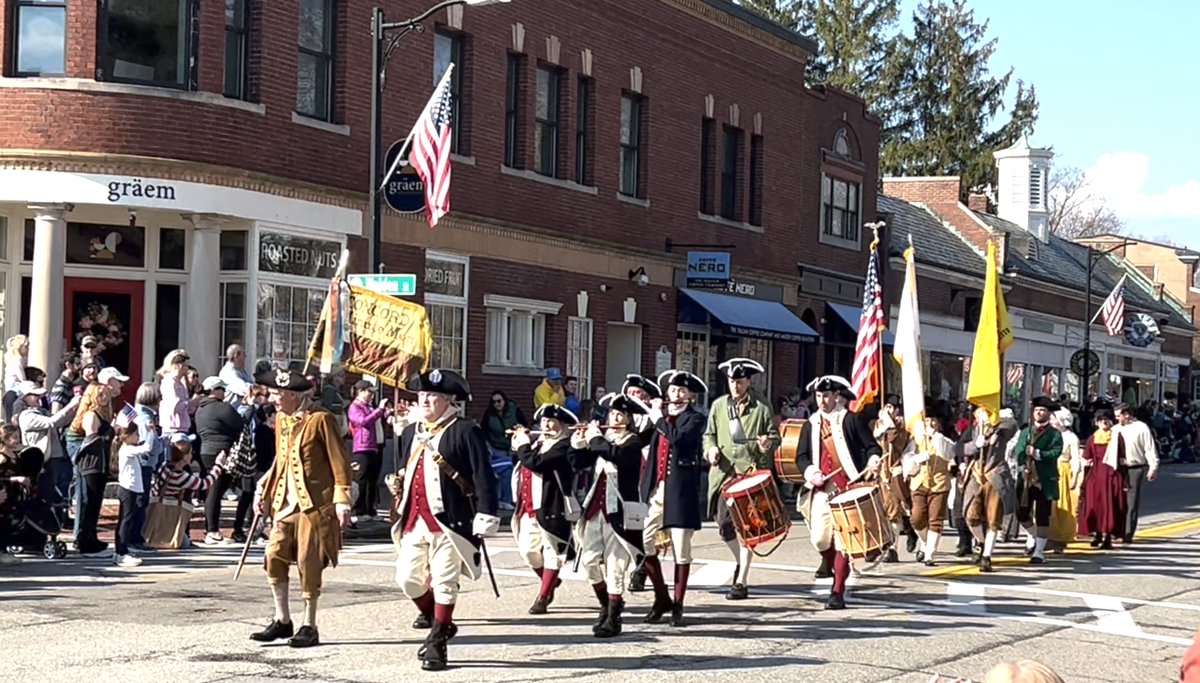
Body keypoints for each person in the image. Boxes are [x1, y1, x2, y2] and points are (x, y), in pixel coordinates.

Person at [388, 368, 499, 672]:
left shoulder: (465, 430)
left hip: (451, 521)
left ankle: (438, 640)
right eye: (422, 395)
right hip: (414, 518)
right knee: (408, 580)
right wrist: (396, 483)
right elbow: (405, 470)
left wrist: (486, 513)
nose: (424, 401)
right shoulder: (411, 432)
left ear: (449, 400)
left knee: (444, 581)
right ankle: (442, 622)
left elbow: (483, 476)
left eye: (432, 396)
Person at [249, 367, 353, 649]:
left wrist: (342, 501)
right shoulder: (282, 420)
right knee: (274, 555)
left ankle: (310, 624)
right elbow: (280, 461)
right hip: (285, 500)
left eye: (277, 394)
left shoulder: (321, 420)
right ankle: (282, 620)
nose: (273, 399)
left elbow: (339, 461)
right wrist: (266, 488)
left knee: (309, 561)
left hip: (314, 503)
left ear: (294, 396)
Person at [791, 375, 881, 610]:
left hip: (847, 488)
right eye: (819, 396)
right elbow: (800, 456)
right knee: (820, 539)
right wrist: (811, 472)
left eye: (827, 396)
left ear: (836, 396)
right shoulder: (811, 423)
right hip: (822, 489)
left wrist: (873, 459)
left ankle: (837, 590)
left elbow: (871, 446)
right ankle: (836, 566)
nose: (822, 400)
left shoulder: (850, 420)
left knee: (843, 542)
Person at [570, 392, 648, 638]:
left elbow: (615, 455)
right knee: (589, 561)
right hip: (595, 509)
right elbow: (578, 462)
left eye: (620, 414)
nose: (614, 418)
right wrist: (579, 442)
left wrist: (595, 439)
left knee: (616, 564)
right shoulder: (603, 439)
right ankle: (606, 603)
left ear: (628, 419)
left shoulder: (633, 442)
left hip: (619, 511)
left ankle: (613, 615)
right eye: (612, 413)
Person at [702, 358, 779, 600]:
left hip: (749, 474)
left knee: (747, 528)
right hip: (724, 474)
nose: (735, 386)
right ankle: (739, 562)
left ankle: (742, 580)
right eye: (732, 381)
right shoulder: (719, 406)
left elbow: (775, 437)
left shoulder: (761, 407)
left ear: (748, 382)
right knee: (724, 525)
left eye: (740, 381)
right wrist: (710, 450)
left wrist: (766, 444)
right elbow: (709, 435)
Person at [638, 369, 706, 627]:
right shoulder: (661, 419)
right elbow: (640, 441)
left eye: (681, 391)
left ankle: (678, 604)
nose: (675, 395)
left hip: (680, 493)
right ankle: (661, 597)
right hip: (657, 491)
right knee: (644, 542)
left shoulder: (695, 420)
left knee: (681, 550)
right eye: (672, 391)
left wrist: (657, 418)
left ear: (689, 396)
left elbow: (679, 440)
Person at [510, 403, 579, 614]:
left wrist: (523, 446)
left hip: (552, 506)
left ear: (562, 426)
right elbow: (522, 463)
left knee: (552, 552)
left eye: (552, 422)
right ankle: (549, 580)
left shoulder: (563, 446)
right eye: (543, 421)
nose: (546, 425)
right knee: (529, 552)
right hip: (528, 507)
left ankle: (544, 596)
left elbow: (536, 463)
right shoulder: (538, 444)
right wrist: (518, 445)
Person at [961, 407, 1019, 573]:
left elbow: (1013, 425)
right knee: (970, 516)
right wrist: (976, 445)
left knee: (993, 519)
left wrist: (995, 427)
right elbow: (959, 449)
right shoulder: (972, 431)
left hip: (994, 476)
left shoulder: (1001, 430)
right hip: (976, 476)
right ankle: (981, 541)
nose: (981, 416)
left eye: (985, 413)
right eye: (979, 413)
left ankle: (986, 556)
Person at [620, 373, 662, 593]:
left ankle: (640, 571)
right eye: (631, 393)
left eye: (640, 394)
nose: (635, 397)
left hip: (647, 478)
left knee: (641, 527)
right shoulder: (618, 418)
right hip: (622, 479)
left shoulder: (655, 420)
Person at [16, 381, 79, 521]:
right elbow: (52, 422)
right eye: (35, 395)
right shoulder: (27, 416)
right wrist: (70, 405)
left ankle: (58, 519)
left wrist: (75, 410)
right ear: (25, 398)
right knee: (45, 493)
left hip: (55, 456)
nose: (40, 398)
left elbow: (60, 422)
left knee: (58, 491)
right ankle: (43, 523)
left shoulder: (42, 412)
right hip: (42, 460)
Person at [1013, 396, 1063, 564]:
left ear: (1048, 414)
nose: (1039, 413)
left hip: (1044, 480)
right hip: (1026, 479)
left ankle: (1039, 552)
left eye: (1042, 410)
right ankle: (1033, 537)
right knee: (1021, 512)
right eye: (1036, 410)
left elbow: (1056, 451)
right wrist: (1022, 464)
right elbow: (1018, 450)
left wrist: (1038, 454)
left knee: (1042, 516)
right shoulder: (1026, 432)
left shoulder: (1054, 434)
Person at [194, 376, 244, 545]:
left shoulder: (200, 409)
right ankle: (212, 530)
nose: (224, 392)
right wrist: (249, 407)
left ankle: (211, 528)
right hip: (221, 452)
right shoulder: (223, 408)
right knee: (215, 491)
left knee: (213, 491)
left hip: (205, 451)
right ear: (215, 390)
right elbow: (240, 423)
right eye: (222, 389)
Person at [69, 383, 115, 556]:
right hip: (91, 462)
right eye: (101, 395)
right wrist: (113, 431)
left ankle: (92, 538)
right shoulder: (91, 415)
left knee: (96, 502)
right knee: (90, 501)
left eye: (106, 395)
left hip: (100, 462)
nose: (105, 398)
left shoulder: (102, 414)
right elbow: (92, 440)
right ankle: (84, 541)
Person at [908, 412, 956, 566]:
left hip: (939, 484)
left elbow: (947, 453)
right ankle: (924, 541)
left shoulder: (945, 440)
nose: (930, 423)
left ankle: (929, 553)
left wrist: (934, 438)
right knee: (916, 518)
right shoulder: (915, 441)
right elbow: (907, 465)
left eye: (933, 420)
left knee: (935, 519)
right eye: (927, 420)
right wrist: (917, 458)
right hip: (919, 482)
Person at [1108, 402, 1159, 543]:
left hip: (1135, 467)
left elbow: (1149, 448)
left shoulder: (1141, 428)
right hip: (1117, 468)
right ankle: (1115, 530)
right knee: (1116, 499)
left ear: (1127, 415)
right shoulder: (1115, 429)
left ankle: (1128, 532)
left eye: (1119, 416)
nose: (1117, 419)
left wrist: (1153, 467)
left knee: (1131, 501)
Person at [874, 394, 917, 562]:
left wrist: (891, 425)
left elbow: (898, 443)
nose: (888, 411)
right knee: (887, 510)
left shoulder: (902, 427)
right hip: (881, 473)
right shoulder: (878, 425)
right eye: (886, 407)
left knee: (905, 507)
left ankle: (908, 532)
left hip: (898, 472)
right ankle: (891, 547)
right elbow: (875, 441)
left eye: (892, 408)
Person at [1078, 401, 1126, 549]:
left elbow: (1122, 458)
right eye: (1100, 420)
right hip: (1096, 476)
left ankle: (1108, 537)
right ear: (1097, 423)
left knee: (1109, 507)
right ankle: (1097, 534)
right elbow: (1088, 457)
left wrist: (1123, 479)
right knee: (1095, 506)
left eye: (1106, 420)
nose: (1103, 422)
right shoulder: (1093, 438)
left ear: (1111, 422)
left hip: (1111, 476)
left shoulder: (1116, 437)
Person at [347, 380, 389, 522]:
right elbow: (363, 422)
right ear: (360, 391)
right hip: (363, 447)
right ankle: (360, 510)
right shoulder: (355, 407)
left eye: (373, 393)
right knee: (362, 479)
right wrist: (380, 410)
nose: (371, 395)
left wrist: (385, 414)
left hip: (376, 446)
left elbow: (376, 422)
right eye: (369, 392)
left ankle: (371, 509)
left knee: (373, 480)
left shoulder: (370, 407)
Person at [481, 390, 526, 511]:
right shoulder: (489, 415)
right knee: (506, 471)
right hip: (496, 448)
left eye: (499, 401)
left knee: (515, 473)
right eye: (494, 402)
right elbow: (484, 431)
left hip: (514, 446)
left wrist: (519, 430)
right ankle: (504, 499)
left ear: (504, 401)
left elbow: (524, 424)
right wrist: (488, 447)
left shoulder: (514, 409)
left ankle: (512, 498)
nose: (497, 404)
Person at [111, 420, 145, 567]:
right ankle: (121, 552)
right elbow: (147, 448)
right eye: (136, 434)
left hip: (132, 488)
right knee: (126, 519)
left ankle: (122, 548)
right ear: (128, 436)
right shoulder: (127, 449)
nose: (138, 437)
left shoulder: (129, 448)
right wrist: (151, 432)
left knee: (127, 519)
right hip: (127, 488)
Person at [1048, 407, 1082, 551]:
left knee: (1061, 505)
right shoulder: (1049, 434)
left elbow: (1075, 458)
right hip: (1048, 470)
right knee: (1048, 507)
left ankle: (1060, 539)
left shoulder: (1071, 437)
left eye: (1053, 418)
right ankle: (1046, 536)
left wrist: (1075, 476)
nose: (1051, 420)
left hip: (1062, 472)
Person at [157, 349, 192, 442]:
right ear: (178, 366)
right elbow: (175, 407)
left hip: (181, 427)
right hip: (173, 429)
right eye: (184, 365)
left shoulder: (179, 383)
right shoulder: (170, 383)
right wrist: (191, 403)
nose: (187, 368)